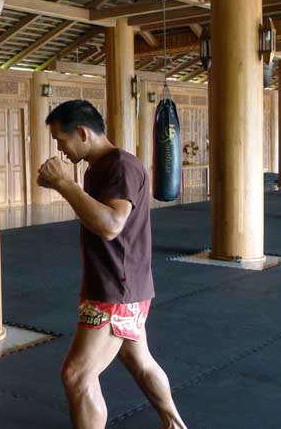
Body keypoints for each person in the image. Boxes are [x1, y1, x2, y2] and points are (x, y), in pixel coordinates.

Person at [37, 100, 188, 429]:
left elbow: (111, 225)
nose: (60, 148)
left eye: (61, 139)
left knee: (77, 375)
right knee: (139, 362)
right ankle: (175, 424)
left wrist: (65, 183)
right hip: (116, 283)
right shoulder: (97, 168)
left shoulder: (120, 164)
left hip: (117, 289)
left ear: (82, 133)